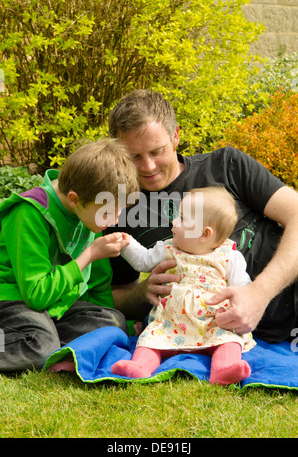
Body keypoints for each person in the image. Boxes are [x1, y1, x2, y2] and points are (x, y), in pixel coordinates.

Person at [105, 89, 298, 344]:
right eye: (134, 157)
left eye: (157, 151)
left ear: (175, 136)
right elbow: (119, 292)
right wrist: (143, 291)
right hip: (226, 335)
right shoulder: (121, 208)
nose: (148, 166)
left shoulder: (226, 165)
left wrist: (258, 295)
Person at [0, 138, 139, 372]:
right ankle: (42, 342)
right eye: (108, 213)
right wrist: (90, 254)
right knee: (41, 347)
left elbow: (98, 283)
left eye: (118, 212)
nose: (114, 221)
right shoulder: (29, 214)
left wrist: (116, 327)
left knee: (113, 323)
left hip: (53, 307)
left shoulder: (87, 212)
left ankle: (48, 340)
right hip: (13, 299)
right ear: (74, 199)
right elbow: (36, 295)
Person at [111, 187, 255, 384]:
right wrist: (127, 243)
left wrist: (236, 309)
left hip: (212, 323)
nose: (174, 222)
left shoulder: (229, 256)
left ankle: (224, 369)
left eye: (182, 219)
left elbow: (243, 288)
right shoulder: (168, 248)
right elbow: (143, 260)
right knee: (150, 339)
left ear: (205, 234)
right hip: (172, 322)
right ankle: (140, 366)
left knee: (229, 341)